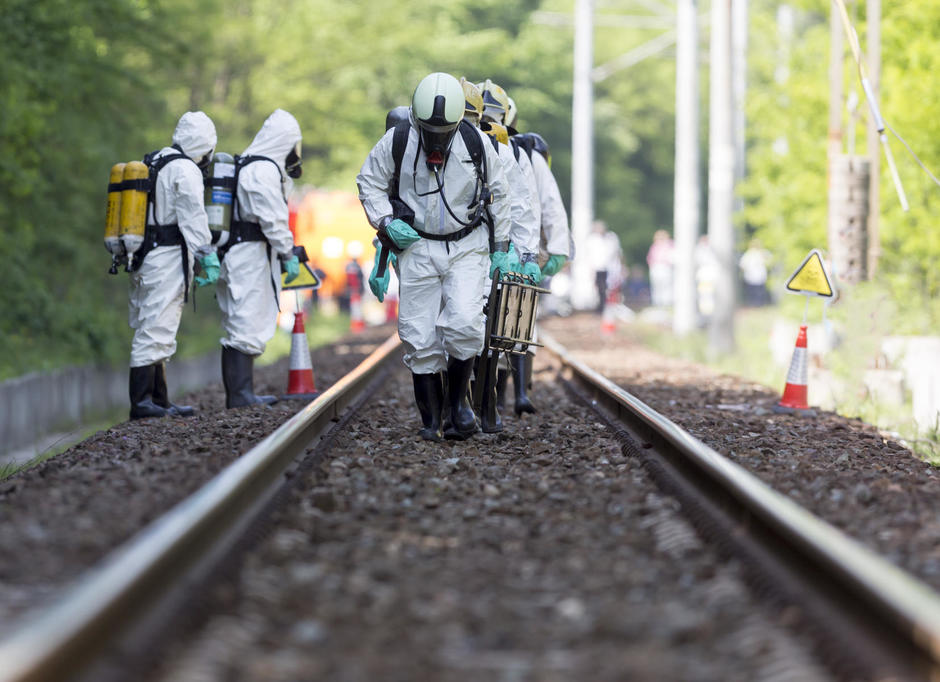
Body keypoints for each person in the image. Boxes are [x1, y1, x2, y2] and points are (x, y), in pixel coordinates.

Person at [357, 72, 513, 441]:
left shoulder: (475, 142)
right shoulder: (397, 140)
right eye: (430, 131)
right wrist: (385, 221)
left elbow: (501, 192)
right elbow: (369, 182)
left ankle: (459, 405)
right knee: (418, 334)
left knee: (464, 324)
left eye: (444, 133)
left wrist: (501, 248)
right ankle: (431, 419)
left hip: (466, 245)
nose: (436, 140)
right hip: (417, 246)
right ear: (416, 118)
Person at [128, 111, 220, 420]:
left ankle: (160, 400)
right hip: (165, 257)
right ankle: (142, 404)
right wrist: (206, 255)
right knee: (155, 327)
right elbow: (193, 217)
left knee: (157, 324)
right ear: (204, 145)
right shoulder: (185, 169)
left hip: (145, 256)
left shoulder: (157, 160)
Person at [217, 109, 301, 408]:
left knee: (239, 319)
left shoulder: (248, 165)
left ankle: (241, 393)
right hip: (248, 255)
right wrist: (288, 251)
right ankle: (240, 396)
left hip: (239, 252)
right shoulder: (262, 170)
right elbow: (273, 220)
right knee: (245, 319)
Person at [647, 229, 675, 308]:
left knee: (667, 286)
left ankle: (667, 303)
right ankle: (657, 303)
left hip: (666, 268)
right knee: (656, 286)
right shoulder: (654, 246)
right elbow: (650, 258)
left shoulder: (671, 245)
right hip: (656, 268)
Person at [739, 238, 771, 306]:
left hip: (760, 276)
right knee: (752, 292)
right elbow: (742, 265)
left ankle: (759, 304)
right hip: (750, 277)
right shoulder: (748, 254)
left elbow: (770, 260)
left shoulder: (763, 252)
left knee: (760, 292)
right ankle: (753, 304)